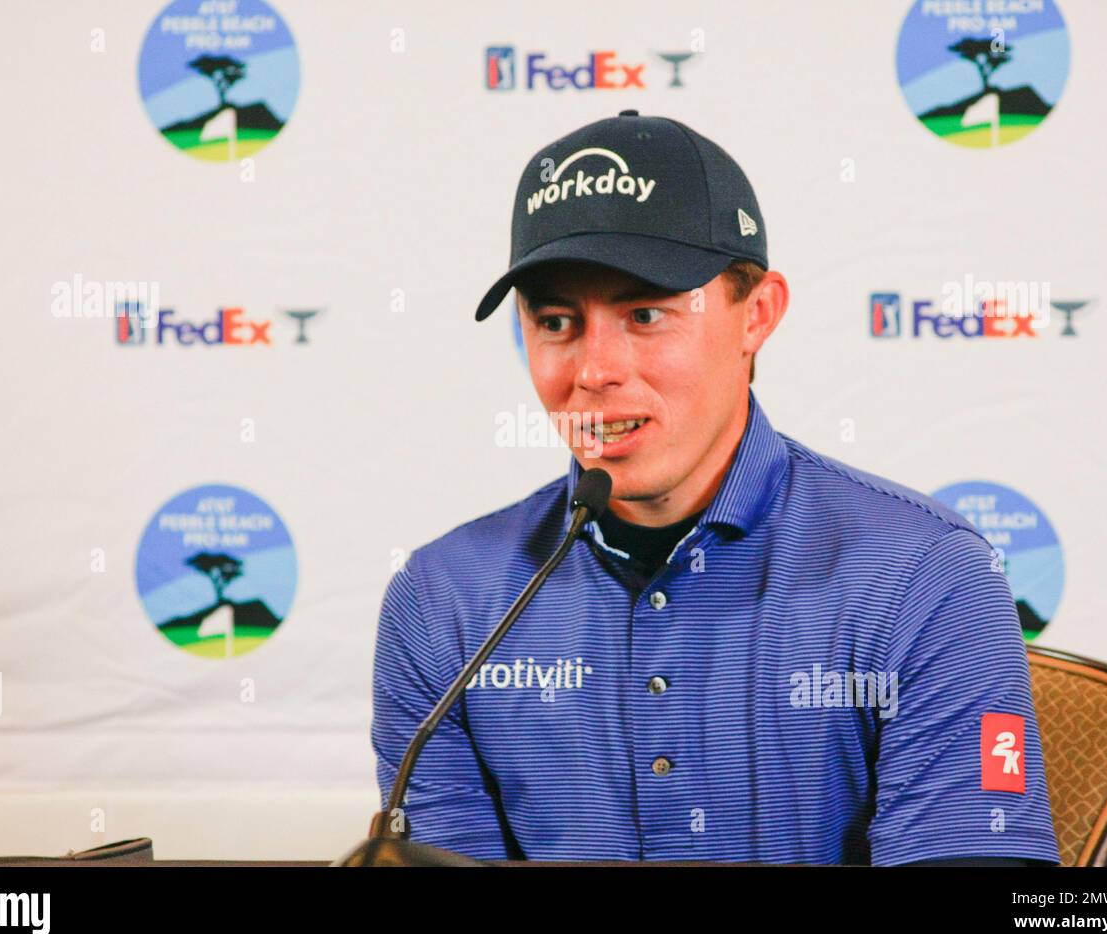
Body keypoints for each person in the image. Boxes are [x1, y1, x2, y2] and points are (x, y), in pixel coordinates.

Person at [371, 110, 1060, 865]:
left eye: (645, 314)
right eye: (558, 322)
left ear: (755, 315)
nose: (594, 370)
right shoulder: (439, 601)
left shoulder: (926, 575)